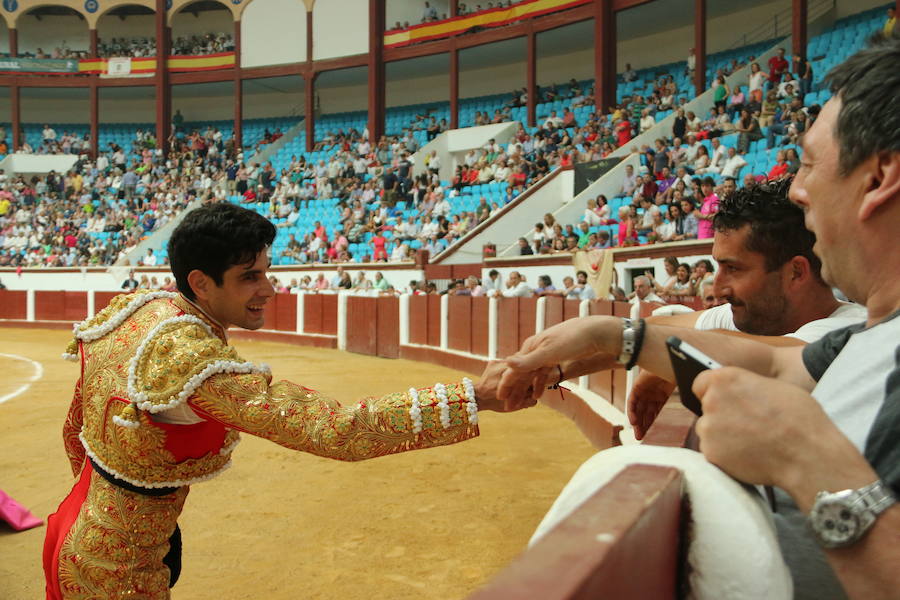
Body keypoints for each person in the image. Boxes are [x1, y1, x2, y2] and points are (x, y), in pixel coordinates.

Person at [499, 36, 900, 599]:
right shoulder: (870, 337)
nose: (798, 190)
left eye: (809, 163)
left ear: (879, 179)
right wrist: (615, 336)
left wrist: (812, 465)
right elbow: (774, 364)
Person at [43, 203, 533, 598]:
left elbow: (76, 428)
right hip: (118, 569)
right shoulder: (190, 363)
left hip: (76, 528)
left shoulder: (138, 308)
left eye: (265, 271)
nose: (269, 289)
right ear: (200, 283)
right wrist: (475, 396)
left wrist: (116, 509)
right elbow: (337, 430)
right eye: (249, 276)